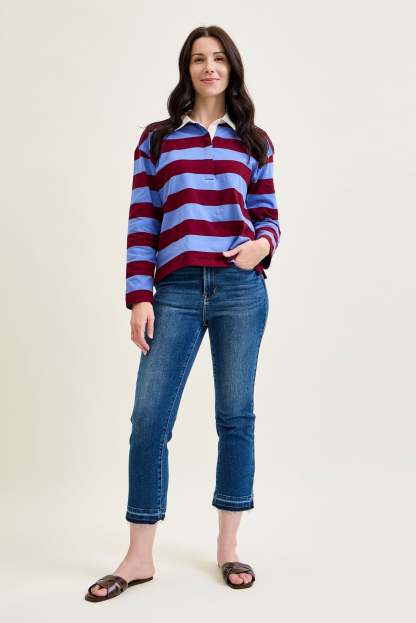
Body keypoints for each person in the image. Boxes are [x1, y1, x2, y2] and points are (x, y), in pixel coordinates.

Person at [85, 24, 281, 602]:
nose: (209, 67)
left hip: (240, 288)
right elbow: (142, 218)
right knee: (149, 419)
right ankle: (139, 556)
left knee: (235, 416)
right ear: (186, 69)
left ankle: (229, 547)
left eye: (218, 58)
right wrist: (139, 295)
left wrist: (262, 245)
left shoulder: (254, 141)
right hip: (173, 288)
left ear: (232, 67)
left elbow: (268, 213)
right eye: (199, 59)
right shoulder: (159, 139)